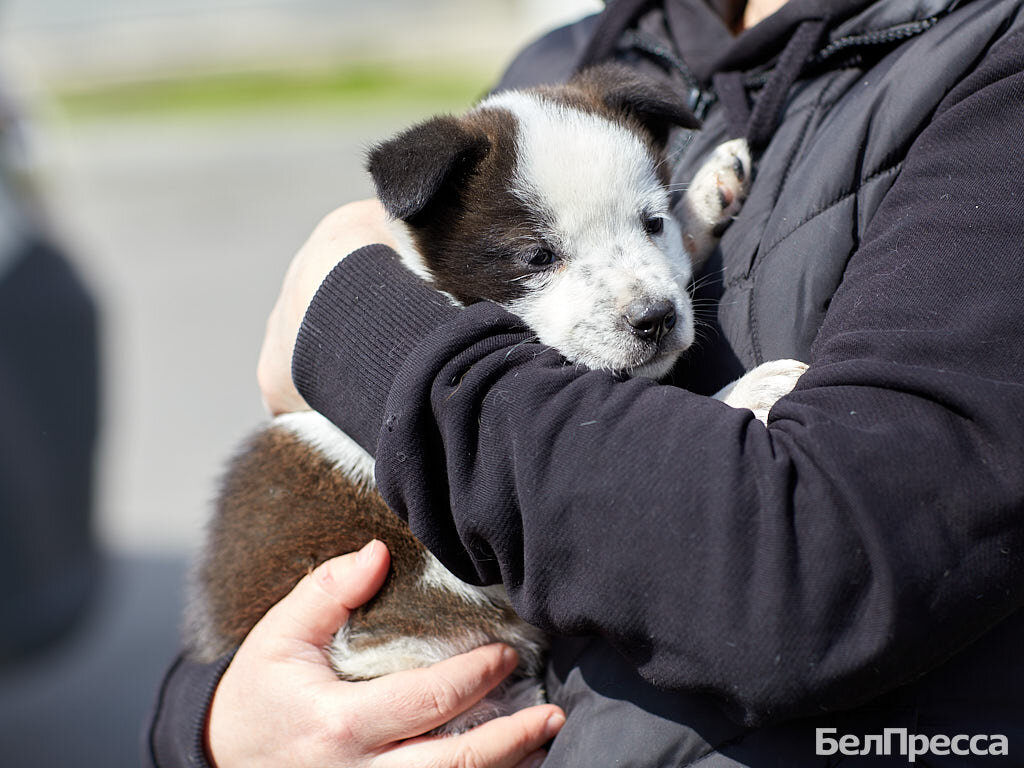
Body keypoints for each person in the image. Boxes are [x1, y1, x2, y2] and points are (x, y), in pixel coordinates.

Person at [146, 0, 1024, 764]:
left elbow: (805, 577)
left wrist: (354, 325)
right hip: (411, 666)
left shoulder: (989, 70)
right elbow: (246, 660)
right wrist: (214, 726)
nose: (646, 296)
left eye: (652, 224)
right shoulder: (568, 61)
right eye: (541, 258)